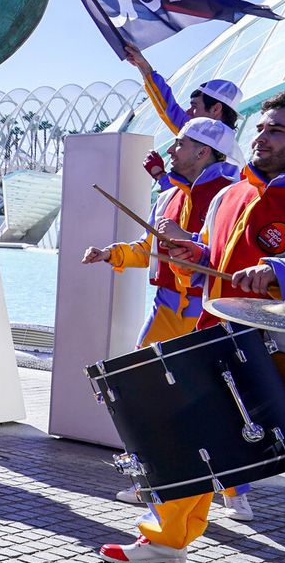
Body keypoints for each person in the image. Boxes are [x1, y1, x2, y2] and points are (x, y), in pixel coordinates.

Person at [101, 94, 285, 563]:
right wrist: (195, 257)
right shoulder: (233, 195)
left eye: (277, 131)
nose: (262, 137)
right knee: (192, 440)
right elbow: (212, 259)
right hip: (217, 335)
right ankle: (165, 541)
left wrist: (280, 270)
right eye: (262, 128)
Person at [80, 119, 243, 508]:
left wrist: (186, 240)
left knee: (217, 399)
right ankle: (152, 478)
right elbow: (146, 246)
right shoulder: (168, 196)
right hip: (166, 307)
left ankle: (235, 489)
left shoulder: (233, 195)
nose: (170, 150)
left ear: (203, 151)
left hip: (211, 310)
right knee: (140, 390)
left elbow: (229, 255)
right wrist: (112, 253)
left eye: (179, 144)